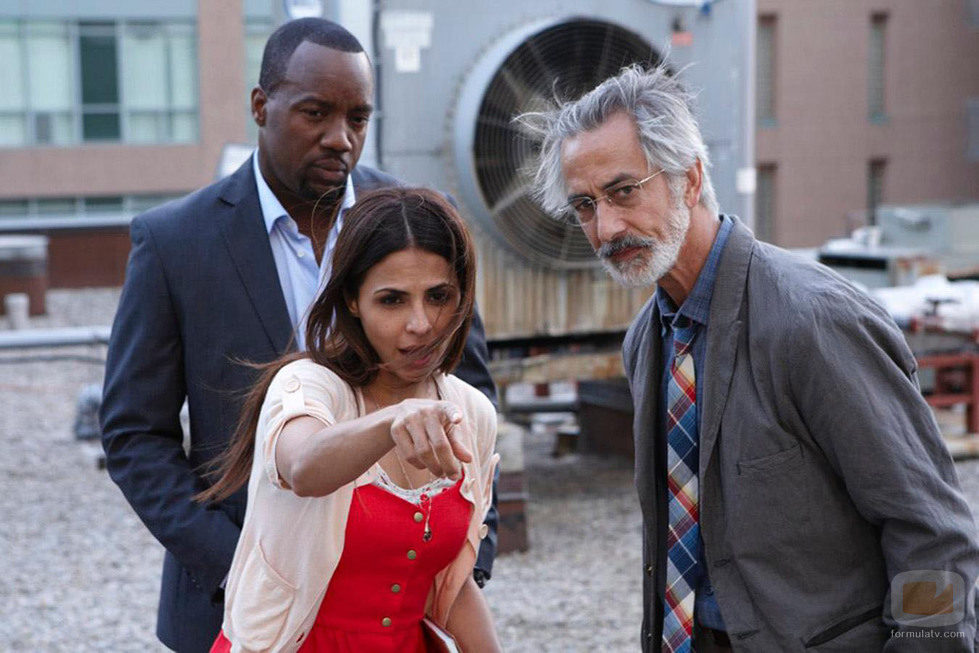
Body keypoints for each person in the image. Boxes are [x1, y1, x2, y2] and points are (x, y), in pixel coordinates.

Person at [520, 64, 979, 652]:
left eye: (624, 191)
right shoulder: (647, 340)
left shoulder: (811, 321)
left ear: (690, 179)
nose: (606, 227)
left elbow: (932, 533)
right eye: (585, 205)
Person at [100, 18, 497, 653]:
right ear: (261, 106)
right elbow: (134, 435)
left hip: (394, 612)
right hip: (231, 609)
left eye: (358, 118)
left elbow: (467, 392)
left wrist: (467, 553)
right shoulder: (175, 242)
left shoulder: (417, 221)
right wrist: (250, 567)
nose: (341, 138)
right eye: (316, 113)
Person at [197, 186, 501, 652]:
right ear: (353, 300)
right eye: (392, 300)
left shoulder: (470, 411)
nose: (421, 323)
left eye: (439, 296)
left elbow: (451, 585)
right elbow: (303, 468)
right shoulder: (308, 385)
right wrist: (392, 422)